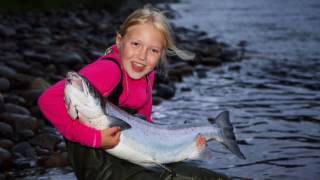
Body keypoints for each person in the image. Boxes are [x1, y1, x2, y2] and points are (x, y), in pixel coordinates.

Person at [38, 6, 229, 180]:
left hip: (134, 158)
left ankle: (218, 131)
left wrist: (189, 146)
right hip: (100, 169)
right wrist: (94, 138)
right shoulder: (108, 71)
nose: (142, 56)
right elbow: (48, 100)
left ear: (161, 54)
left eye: (153, 50)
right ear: (119, 41)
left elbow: (146, 124)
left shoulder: (147, 75)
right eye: (136, 44)